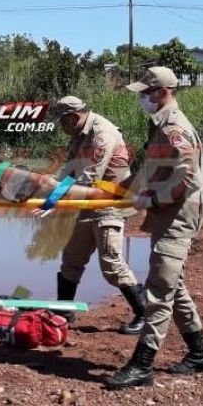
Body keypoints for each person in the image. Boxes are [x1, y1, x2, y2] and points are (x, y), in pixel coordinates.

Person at [104, 67, 203, 389]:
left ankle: (142, 366)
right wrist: (118, 192)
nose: (141, 98)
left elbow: (187, 179)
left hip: (178, 216)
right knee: (173, 286)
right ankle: (200, 353)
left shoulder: (174, 129)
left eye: (145, 92)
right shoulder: (159, 126)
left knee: (159, 291)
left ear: (162, 92)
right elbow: (150, 172)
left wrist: (149, 200)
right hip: (167, 212)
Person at [47, 96, 145, 334]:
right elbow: (69, 172)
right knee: (72, 259)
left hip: (109, 203)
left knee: (111, 264)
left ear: (72, 117)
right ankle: (64, 312)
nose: (61, 127)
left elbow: (88, 177)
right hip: (89, 202)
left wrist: (55, 195)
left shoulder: (102, 134)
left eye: (61, 122)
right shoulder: (78, 136)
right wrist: (50, 193)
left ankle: (145, 315)